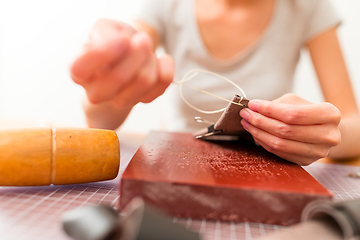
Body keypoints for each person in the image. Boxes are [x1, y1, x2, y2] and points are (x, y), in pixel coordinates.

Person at [70, 0, 360, 166]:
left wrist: (324, 134)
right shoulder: (167, 6)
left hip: (267, 171)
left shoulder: (306, 7)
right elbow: (101, 120)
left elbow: (353, 125)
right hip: (174, 168)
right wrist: (107, 85)